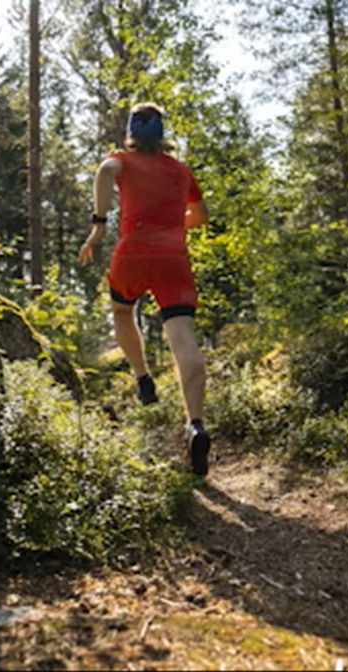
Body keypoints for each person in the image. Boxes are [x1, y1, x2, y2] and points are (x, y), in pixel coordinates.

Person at [77, 102, 212, 477]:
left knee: (122, 312)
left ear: (132, 133)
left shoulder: (121, 160)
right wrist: (172, 224)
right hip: (173, 259)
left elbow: (105, 170)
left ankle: (143, 377)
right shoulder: (181, 170)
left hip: (131, 252)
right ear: (163, 134)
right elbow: (201, 216)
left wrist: (99, 225)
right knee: (183, 338)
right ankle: (196, 424)